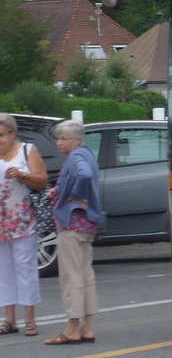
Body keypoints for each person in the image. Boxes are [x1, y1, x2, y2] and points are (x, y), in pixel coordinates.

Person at [45, 120, 101, 345]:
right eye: (58, 138)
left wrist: (71, 196)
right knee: (86, 274)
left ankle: (72, 329)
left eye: (63, 138)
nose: (59, 143)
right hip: (87, 223)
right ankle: (87, 327)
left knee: (71, 277)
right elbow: (85, 175)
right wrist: (59, 190)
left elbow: (83, 176)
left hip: (72, 223)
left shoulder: (76, 157)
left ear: (77, 140)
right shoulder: (87, 154)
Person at [0, 113, 49, 337]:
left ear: (12, 133)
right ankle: (9, 320)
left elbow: (42, 180)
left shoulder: (26, 151)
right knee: (4, 271)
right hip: (1, 222)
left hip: (22, 220)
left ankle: (30, 320)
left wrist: (21, 175)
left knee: (25, 269)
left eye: (1, 135)